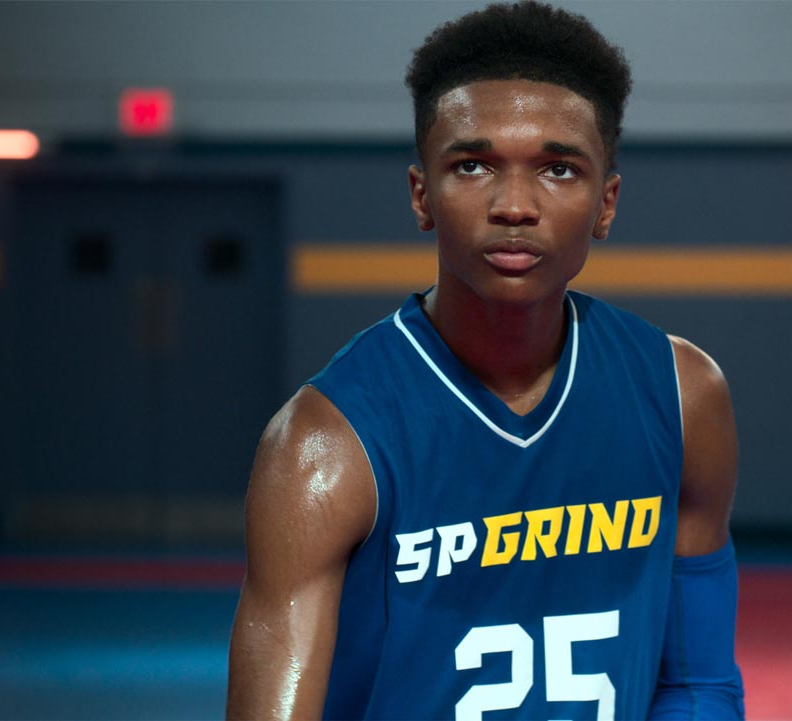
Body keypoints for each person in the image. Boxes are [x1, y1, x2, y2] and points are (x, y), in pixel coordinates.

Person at [226, 2, 744, 719]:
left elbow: (697, 683)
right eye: (472, 165)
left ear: (606, 204)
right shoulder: (326, 446)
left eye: (558, 169)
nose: (514, 205)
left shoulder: (682, 397)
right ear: (422, 196)